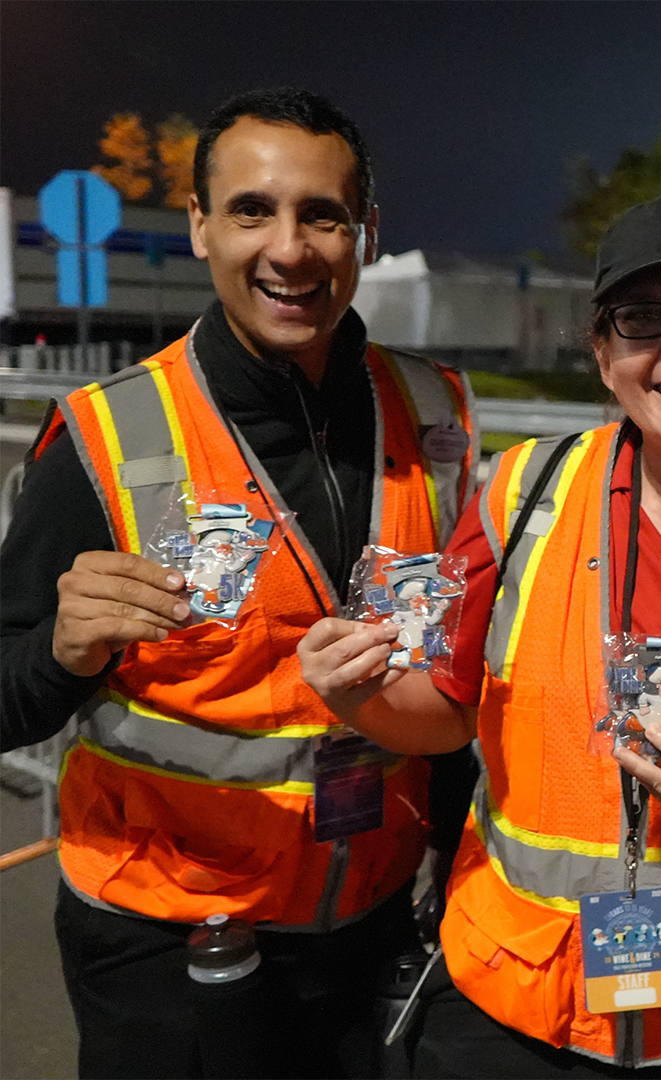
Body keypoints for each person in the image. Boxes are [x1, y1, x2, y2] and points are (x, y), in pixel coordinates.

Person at [299, 194, 661, 1078]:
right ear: (602, 352)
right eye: (643, 319)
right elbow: (444, 715)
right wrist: (353, 690)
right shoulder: (522, 495)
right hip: (511, 1005)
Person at [0, 88, 477, 1078]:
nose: (290, 248)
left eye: (323, 214)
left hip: (372, 925)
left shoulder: (438, 413)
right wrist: (59, 651)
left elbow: (465, 676)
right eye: (254, 210)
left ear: (365, 233)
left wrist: (463, 863)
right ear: (201, 227)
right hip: (166, 942)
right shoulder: (105, 435)